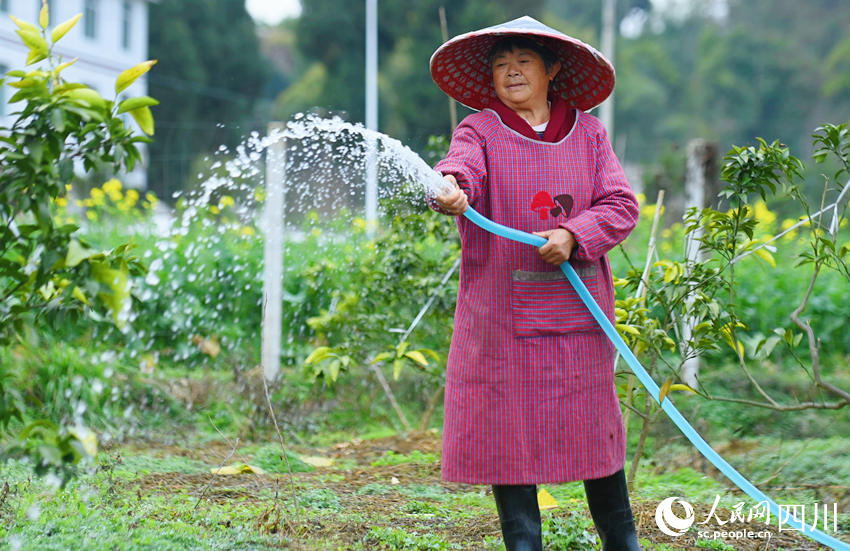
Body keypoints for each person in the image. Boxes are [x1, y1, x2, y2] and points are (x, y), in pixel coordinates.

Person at [429, 16, 641, 551]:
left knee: (593, 430)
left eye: (523, 60)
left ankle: (624, 541)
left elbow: (620, 205)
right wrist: (451, 188)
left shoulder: (589, 133)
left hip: (577, 313)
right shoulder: (478, 130)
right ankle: (523, 544)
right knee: (506, 433)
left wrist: (573, 234)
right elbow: (461, 169)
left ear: (552, 70)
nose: (511, 72)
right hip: (500, 319)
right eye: (500, 65)